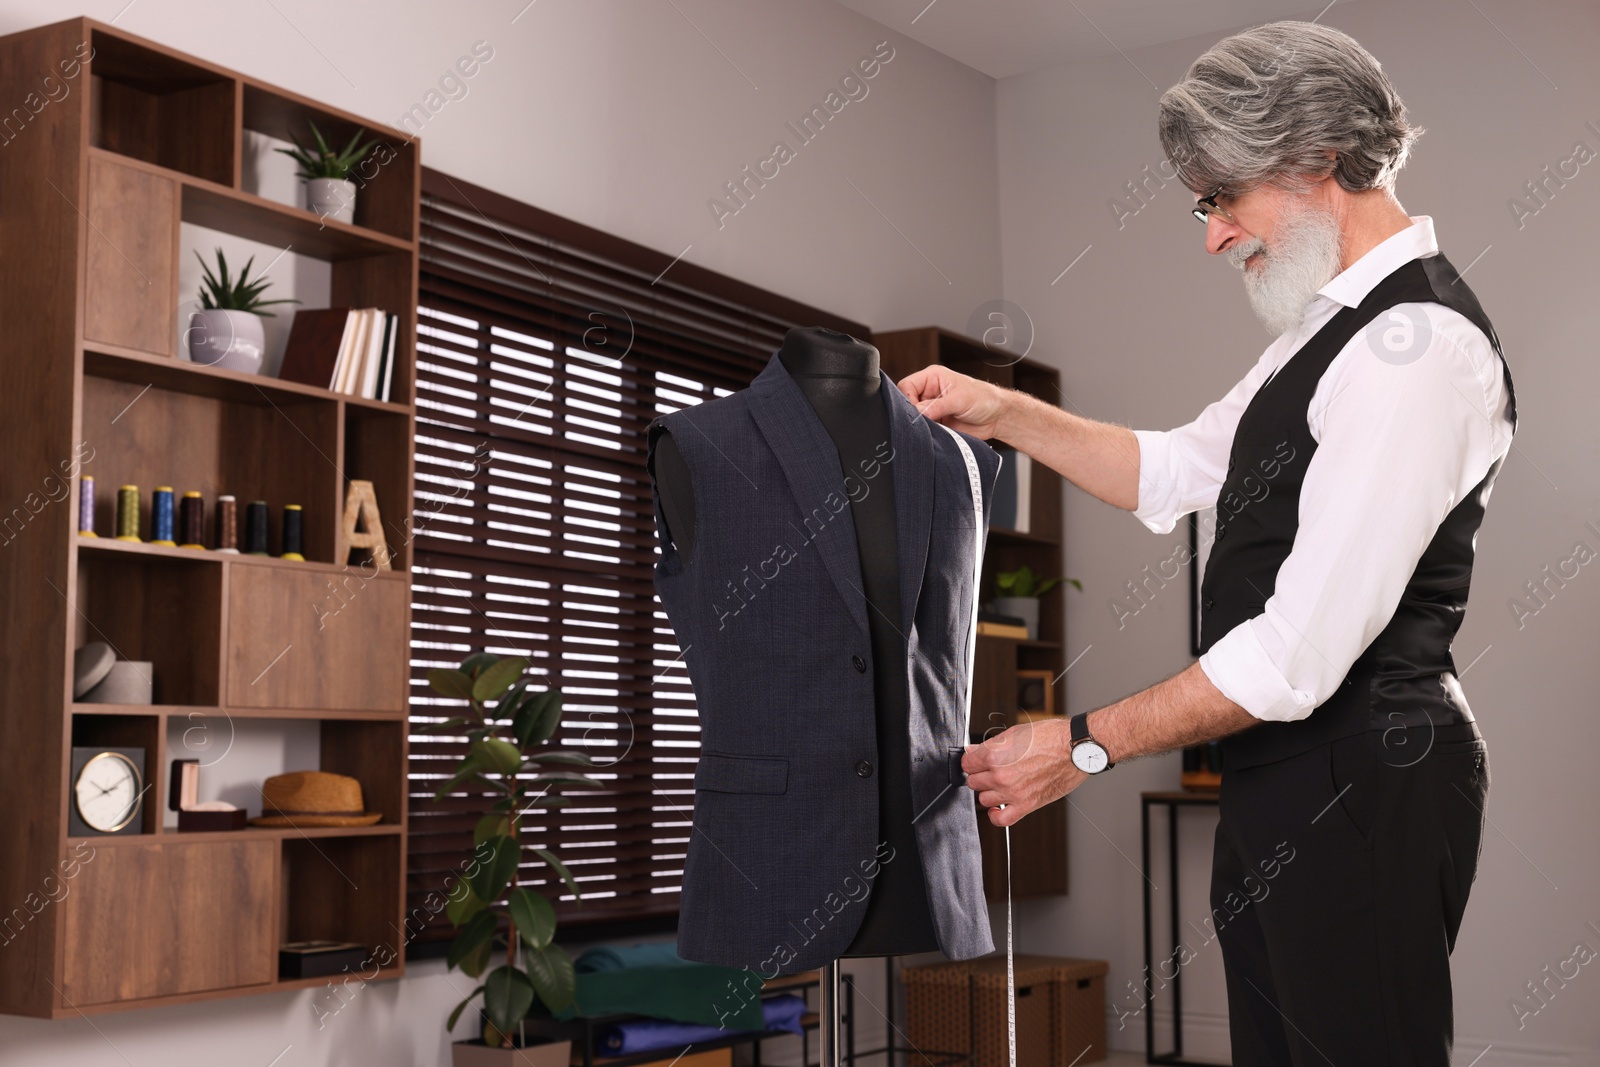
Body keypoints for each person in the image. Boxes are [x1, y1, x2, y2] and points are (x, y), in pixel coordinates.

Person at [898, 20, 1515, 1067]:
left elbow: (1295, 653)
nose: (1213, 233)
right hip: (1280, 766)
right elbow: (1178, 466)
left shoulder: (1418, 349)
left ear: (1317, 158)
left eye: (1221, 194)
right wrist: (1000, 409)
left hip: (1368, 768)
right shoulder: (1318, 335)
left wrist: (1080, 740)